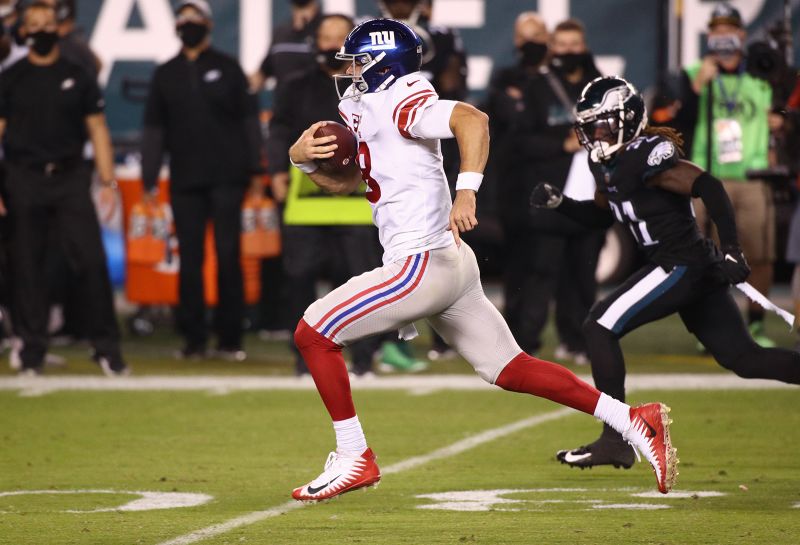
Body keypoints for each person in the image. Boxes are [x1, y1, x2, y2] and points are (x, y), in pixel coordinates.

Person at [286, 18, 676, 502]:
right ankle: (632, 419)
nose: (348, 71)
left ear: (385, 64)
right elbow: (360, 182)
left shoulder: (404, 96)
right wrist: (302, 159)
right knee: (509, 367)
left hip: (420, 263)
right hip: (446, 263)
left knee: (314, 332)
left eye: (358, 62)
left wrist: (466, 191)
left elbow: (473, 119)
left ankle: (354, 456)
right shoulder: (361, 105)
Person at [531, 76, 800, 470]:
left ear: (627, 119)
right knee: (743, 358)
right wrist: (561, 204)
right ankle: (616, 437)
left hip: (682, 263)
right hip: (686, 267)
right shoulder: (603, 162)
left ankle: (616, 438)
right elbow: (601, 215)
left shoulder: (646, 154)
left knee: (599, 325)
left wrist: (732, 249)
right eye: (590, 126)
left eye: (603, 123)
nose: (595, 133)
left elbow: (708, 186)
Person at [268, 14, 420, 376]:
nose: (332, 47)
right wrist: (277, 170)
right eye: (326, 38)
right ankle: (305, 358)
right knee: (299, 277)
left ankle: (365, 357)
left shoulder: (375, 89)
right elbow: (278, 131)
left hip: (358, 200)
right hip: (306, 201)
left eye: (340, 38)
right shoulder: (295, 85)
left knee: (363, 278)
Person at [0, 1, 127, 375]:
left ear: (59, 27)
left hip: (71, 177)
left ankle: (107, 350)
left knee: (90, 261)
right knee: (27, 267)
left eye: (46, 22)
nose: (40, 29)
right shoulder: (11, 78)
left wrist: (107, 181)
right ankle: (31, 352)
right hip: (23, 178)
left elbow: (98, 129)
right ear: (22, 31)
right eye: (33, 24)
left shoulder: (79, 74)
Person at [141, 0, 264, 360]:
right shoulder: (166, 73)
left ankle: (230, 338)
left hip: (228, 177)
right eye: (183, 19)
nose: (189, 24)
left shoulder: (227, 68)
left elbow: (249, 123)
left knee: (228, 255)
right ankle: (193, 338)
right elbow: (154, 129)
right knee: (189, 260)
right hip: (185, 180)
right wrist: (149, 179)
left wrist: (255, 170)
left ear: (208, 25)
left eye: (195, 19)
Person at [670, 4, 777, 347]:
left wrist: (781, 119)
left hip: (751, 175)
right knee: (707, 256)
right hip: (705, 177)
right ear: (708, 36)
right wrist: (697, 88)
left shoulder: (762, 73)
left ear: (742, 35)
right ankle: (713, 328)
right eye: (716, 30)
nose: (722, 37)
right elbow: (675, 127)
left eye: (729, 30)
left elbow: (787, 106)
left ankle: (756, 324)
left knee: (758, 254)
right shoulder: (692, 73)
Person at [506, 18, 604, 363]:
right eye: (560, 45)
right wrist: (560, 145)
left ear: (585, 46)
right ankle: (526, 346)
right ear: (552, 48)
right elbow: (520, 141)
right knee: (541, 272)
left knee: (583, 273)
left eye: (573, 45)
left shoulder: (602, 88)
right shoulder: (538, 87)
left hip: (592, 194)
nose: (567, 52)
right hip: (551, 196)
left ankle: (579, 341)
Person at [249, 0, 322, 93]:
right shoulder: (280, 33)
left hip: (317, 103)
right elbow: (264, 72)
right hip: (284, 105)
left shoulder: (327, 30)